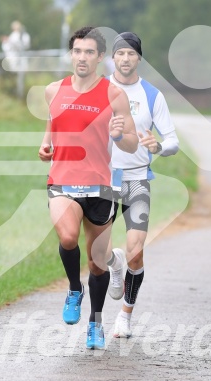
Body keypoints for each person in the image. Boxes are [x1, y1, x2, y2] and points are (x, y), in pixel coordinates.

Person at [38, 26, 138, 350]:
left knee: (97, 261)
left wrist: (121, 132)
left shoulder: (113, 94)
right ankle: (73, 289)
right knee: (67, 237)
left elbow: (132, 139)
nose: (82, 58)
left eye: (89, 52)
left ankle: (95, 322)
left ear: (100, 57)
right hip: (63, 178)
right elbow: (52, 124)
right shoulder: (54, 90)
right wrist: (45, 145)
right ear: (72, 54)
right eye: (77, 51)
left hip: (101, 184)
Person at [106, 32, 179, 338]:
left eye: (131, 54)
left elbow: (173, 141)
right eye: (120, 53)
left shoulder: (152, 95)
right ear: (113, 58)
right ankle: (113, 262)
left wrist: (158, 146)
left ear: (138, 58)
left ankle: (125, 316)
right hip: (103, 179)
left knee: (136, 252)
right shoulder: (99, 91)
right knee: (98, 253)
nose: (125, 59)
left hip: (137, 179)